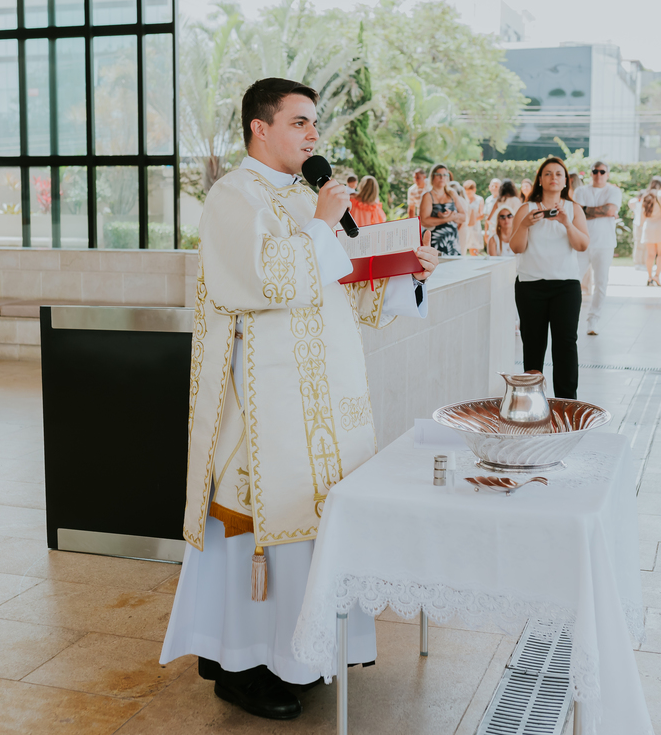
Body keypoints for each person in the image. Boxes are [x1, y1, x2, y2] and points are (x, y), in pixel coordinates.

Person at [160, 77, 439, 718]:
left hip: (327, 402)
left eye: (316, 124)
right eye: (301, 122)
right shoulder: (234, 197)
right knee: (265, 529)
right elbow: (268, 278)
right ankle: (243, 666)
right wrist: (319, 226)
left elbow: (346, 285)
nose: (315, 135)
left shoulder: (310, 200)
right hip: (267, 411)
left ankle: (302, 652)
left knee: (320, 526)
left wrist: (404, 272)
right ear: (261, 127)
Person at [509, 157, 590, 399]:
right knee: (533, 347)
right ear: (540, 180)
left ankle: (567, 403)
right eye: (548, 174)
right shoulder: (526, 209)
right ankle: (532, 402)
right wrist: (524, 225)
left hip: (566, 286)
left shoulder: (574, 209)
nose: (553, 177)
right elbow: (516, 247)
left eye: (558, 174)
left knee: (565, 346)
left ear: (565, 181)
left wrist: (567, 223)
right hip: (530, 286)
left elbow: (582, 244)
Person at [573, 160, 623, 335]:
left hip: (604, 244)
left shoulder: (614, 191)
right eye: (595, 171)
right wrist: (599, 211)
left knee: (601, 283)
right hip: (582, 243)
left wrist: (586, 210)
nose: (598, 175)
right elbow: (577, 212)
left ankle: (593, 320)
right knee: (573, 280)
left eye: (602, 172)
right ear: (591, 173)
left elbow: (610, 210)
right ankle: (570, 317)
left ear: (607, 174)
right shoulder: (581, 191)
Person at [418, 164, 464, 256]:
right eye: (439, 175)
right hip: (435, 241)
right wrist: (447, 219)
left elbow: (464, 217)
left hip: (452, 241)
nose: (442, 178)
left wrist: (451, 215)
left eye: (445, 175)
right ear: (432, 177)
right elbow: (423, 221)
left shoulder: (452, 193)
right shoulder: (427, 196)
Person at [639, 188, 661, 286]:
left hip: (648, 226)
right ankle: (657, 276)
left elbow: (642, 214)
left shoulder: (646, 195)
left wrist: (642, 224)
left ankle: (649, 277)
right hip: (660, 226)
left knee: (650, 254)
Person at [461, 179, 484, 254]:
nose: (468, 195)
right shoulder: (464, 199)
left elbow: (481, 214)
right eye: (466, 193)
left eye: (469, 193)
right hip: (465, 226)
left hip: (475, 227)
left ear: (474, 190)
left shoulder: (479, 199)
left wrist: (473, 220)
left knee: (474, 248)